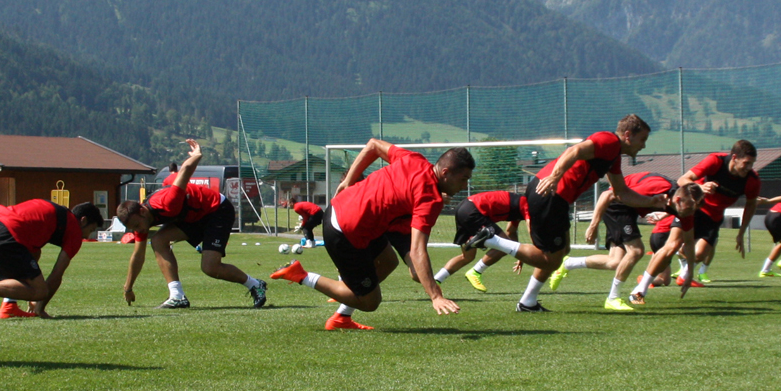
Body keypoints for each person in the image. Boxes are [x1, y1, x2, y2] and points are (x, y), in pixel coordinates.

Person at [463, 115, 666, 313]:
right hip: (550, 194)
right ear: (628, 135)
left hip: (555, 197)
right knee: (549, 259)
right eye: (643, 140)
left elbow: (621, 192)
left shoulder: (613, 156)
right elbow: (575, 150)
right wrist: (555, 177)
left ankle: (528, 302)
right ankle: (493, 241)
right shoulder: (609, 140)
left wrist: (651, 201)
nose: (644, 146)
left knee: (562, 251)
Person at [269, 139, 473, 329]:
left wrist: (349, 181)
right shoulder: (430, 199)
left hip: (346, 211)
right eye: (463, 179)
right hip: (345, 230)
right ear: (445, 172)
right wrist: (436, 296)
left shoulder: (414, 159)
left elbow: (373, 145)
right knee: (369, 302)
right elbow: (417, 250)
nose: (465, 186)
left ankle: (342, 316)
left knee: (389, 261)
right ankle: (301, 275)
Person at [118, 139, 267, 310]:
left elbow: (187, 169)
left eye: (138, 225)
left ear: (143, 211)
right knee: (158, 240)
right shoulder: (140, 220)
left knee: (210, 268)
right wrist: (128, 287)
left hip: (216, 210)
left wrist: (197, 154)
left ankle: (255, 284)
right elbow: (138, 256)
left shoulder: (168, 202)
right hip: (193, 218)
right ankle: (177, 296)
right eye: (134, 228)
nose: (139, 230)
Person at [551, 175, 703, 311]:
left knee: (615, 262)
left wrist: (689, 273)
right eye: (690, 208)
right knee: (636, 251)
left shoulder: (685, 211)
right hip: (617, 205)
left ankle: (568, 263)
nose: (691, 213)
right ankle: (612, 298)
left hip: (629, 211)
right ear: (678, 200)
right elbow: (608, 194)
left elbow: (689, 243)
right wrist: (593, 224)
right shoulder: (659, 188)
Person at [0, 200, 105, 319]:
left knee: (35, 253)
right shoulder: (73, 228)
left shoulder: (59, 214)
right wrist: (40, 308)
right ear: (83, 220)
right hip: (6, 232)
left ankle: (9, 306)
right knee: (40, 291)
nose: (86, 236)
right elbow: (56, 275)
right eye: (90, 230)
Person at [676, 141, 762, 284]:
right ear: (734, 157)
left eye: (752, 164)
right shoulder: (716, 161)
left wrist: (741, 232)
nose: (749, 168)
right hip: (695, 209)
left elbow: (751, 205)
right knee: (672, 244)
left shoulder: (752, 180)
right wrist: (701, 187)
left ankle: (684, 272)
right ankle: (676, 274)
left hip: (714, 217)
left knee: (699, 254)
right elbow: (682, 180)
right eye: (746, 163)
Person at [431, 190, 527, 292]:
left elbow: (511, 231)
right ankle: (476, 271)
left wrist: (520, 254)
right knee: (504, 247)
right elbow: (533, 231)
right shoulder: (528, 206)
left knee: (467, 256)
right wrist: (526, 254)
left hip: (464, 208)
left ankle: (435, 281)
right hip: (474, 211)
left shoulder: (520, 205)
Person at [626, 204, 700, 304]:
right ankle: (643, 284)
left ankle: (646, 280)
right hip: (663, 236)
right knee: (662, 277)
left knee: (666, 280)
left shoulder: (676, 208)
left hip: (659, 235)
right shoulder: (683, 210)